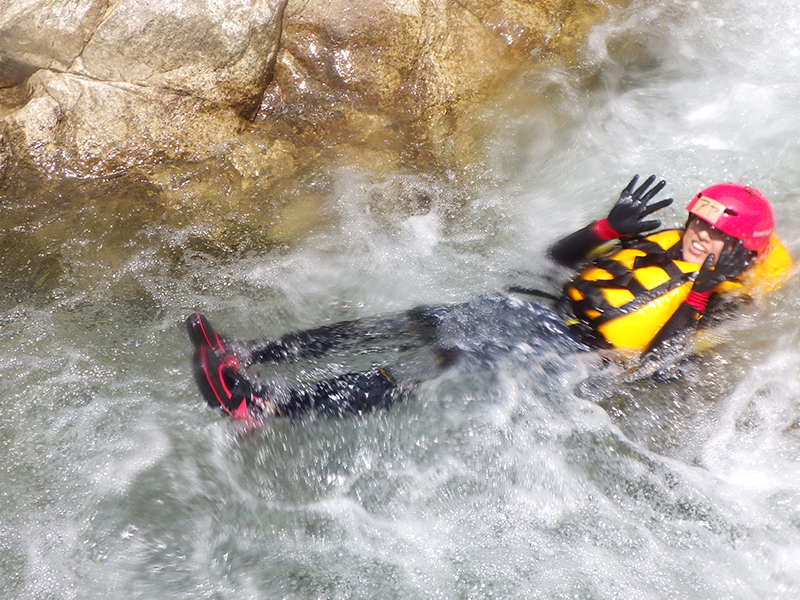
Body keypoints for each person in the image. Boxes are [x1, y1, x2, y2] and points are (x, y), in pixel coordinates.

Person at [187, 175, 791, 422]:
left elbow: (659, 359)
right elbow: (550, 265)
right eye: (696, 222)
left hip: (580, 360)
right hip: (546, 313)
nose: (697, 235)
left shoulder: (723, 297)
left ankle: (266, 408)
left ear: (740, 246)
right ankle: (249, 352)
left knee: (438, 361)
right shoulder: (660, 241)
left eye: (714, 232)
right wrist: (605, 230)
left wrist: (701, 295)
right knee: (415, 321)